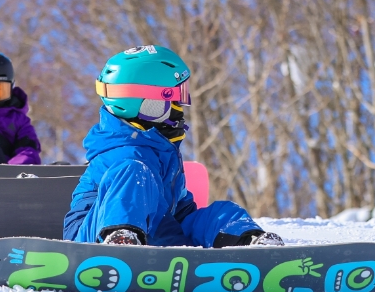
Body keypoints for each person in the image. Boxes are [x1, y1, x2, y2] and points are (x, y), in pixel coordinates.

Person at [64, 44, 283, 248]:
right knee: (133, 171)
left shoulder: (162, 150)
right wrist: (122, 231)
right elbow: (117, 200)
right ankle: (121, 238)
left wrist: (212, 225)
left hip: (153, 232)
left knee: (221, 212)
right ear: (148, 102)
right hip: (91, 236)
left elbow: (180, 213)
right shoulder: (119, 150)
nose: (181, 106)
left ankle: (248, 242)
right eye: (175, 97)